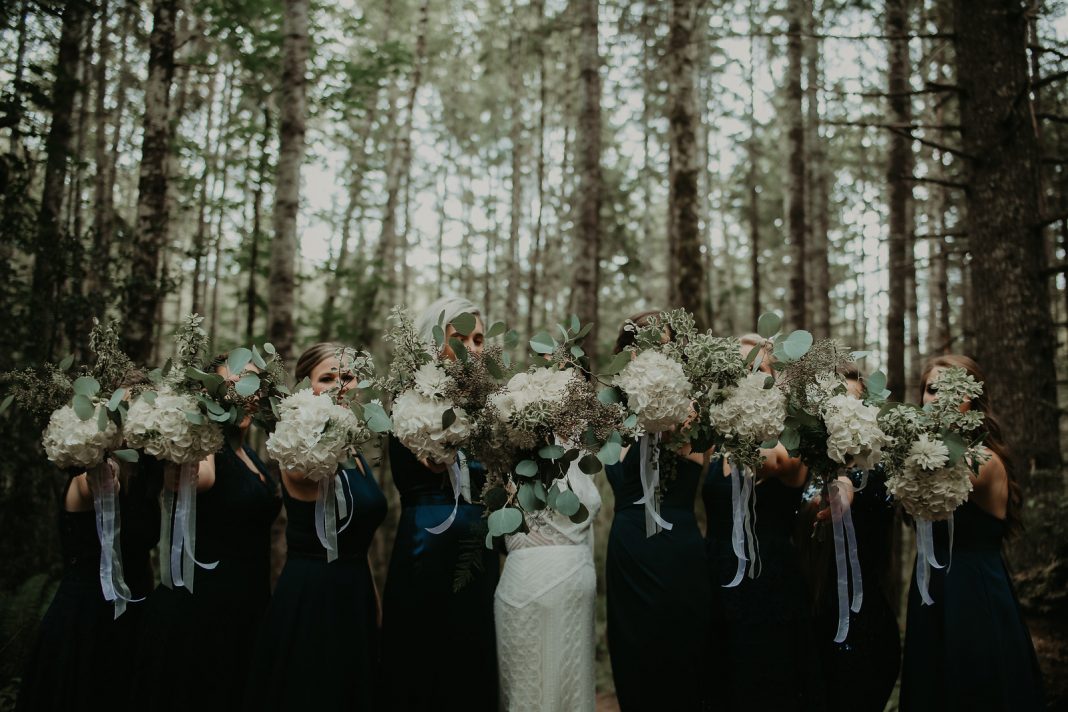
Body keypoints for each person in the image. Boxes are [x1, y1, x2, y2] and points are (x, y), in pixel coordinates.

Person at [132, 357, 281, 712]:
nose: (247, 394)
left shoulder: (249, 454)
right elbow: (201, 480)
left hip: (247, 606)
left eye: (253, 385)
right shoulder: (196, 454)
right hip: (202, 610)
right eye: (232, 385)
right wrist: (196, 419)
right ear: (209, 394)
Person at [244, 343, 387, 710]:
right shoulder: (298, 446)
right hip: (313, 594)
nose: (340, 385)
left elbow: (357, 541)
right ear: (307, 387)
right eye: (328, 378)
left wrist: (372, 600)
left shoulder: (355, 451)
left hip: (354, 591)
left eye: (348, 377)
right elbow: (302, 472)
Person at [899, 355, 1044, 711]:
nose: (938, 399)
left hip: (973, 588)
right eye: (931, 390)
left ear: (973, 401)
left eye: (952, 390)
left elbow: (943, 471)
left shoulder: (984, 460)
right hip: (930, 585)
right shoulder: (916, 452)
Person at [379, 297, 499, 711]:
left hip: (480, 550)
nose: (474, 346)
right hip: (428, 543)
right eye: (461, 337)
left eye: (480, 338)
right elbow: (431, 461)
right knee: (425, 662)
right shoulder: (410, 400)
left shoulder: (486, 406)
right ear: (436, 341)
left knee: (474, 659)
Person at [17, 374, 160, 712]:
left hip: (136, 609)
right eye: (126, 408)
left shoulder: (147, 472)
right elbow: (93, 485)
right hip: (87, 616)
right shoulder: (90, 475)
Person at [703, 334, 824, 711]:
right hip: (715, 571)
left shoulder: (791, 439)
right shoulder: (713, 438)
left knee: (765, 684)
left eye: (757, 367)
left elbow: (770, 463)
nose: (746, 375)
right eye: (738, 368)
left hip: (767, 578)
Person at [603, 311, 710, 710]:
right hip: (626, 553)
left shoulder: (690, 412)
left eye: (659, 344)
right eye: (637, 345)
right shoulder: (612, 415)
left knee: (680, 672)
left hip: (675, 554)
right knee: (634, 673)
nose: (647, 353)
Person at [798, 366, 899, 712]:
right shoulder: (806, 465)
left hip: (863, 623)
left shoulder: (879, 472)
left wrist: (842, 488)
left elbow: (849, 492)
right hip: (806, 621)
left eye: (851, 401)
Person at [495, 459, 601, 711]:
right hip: (521, 583)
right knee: (523, 691)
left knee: (570, 691)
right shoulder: (503, 442)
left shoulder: (585, 446)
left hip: (573, 580)